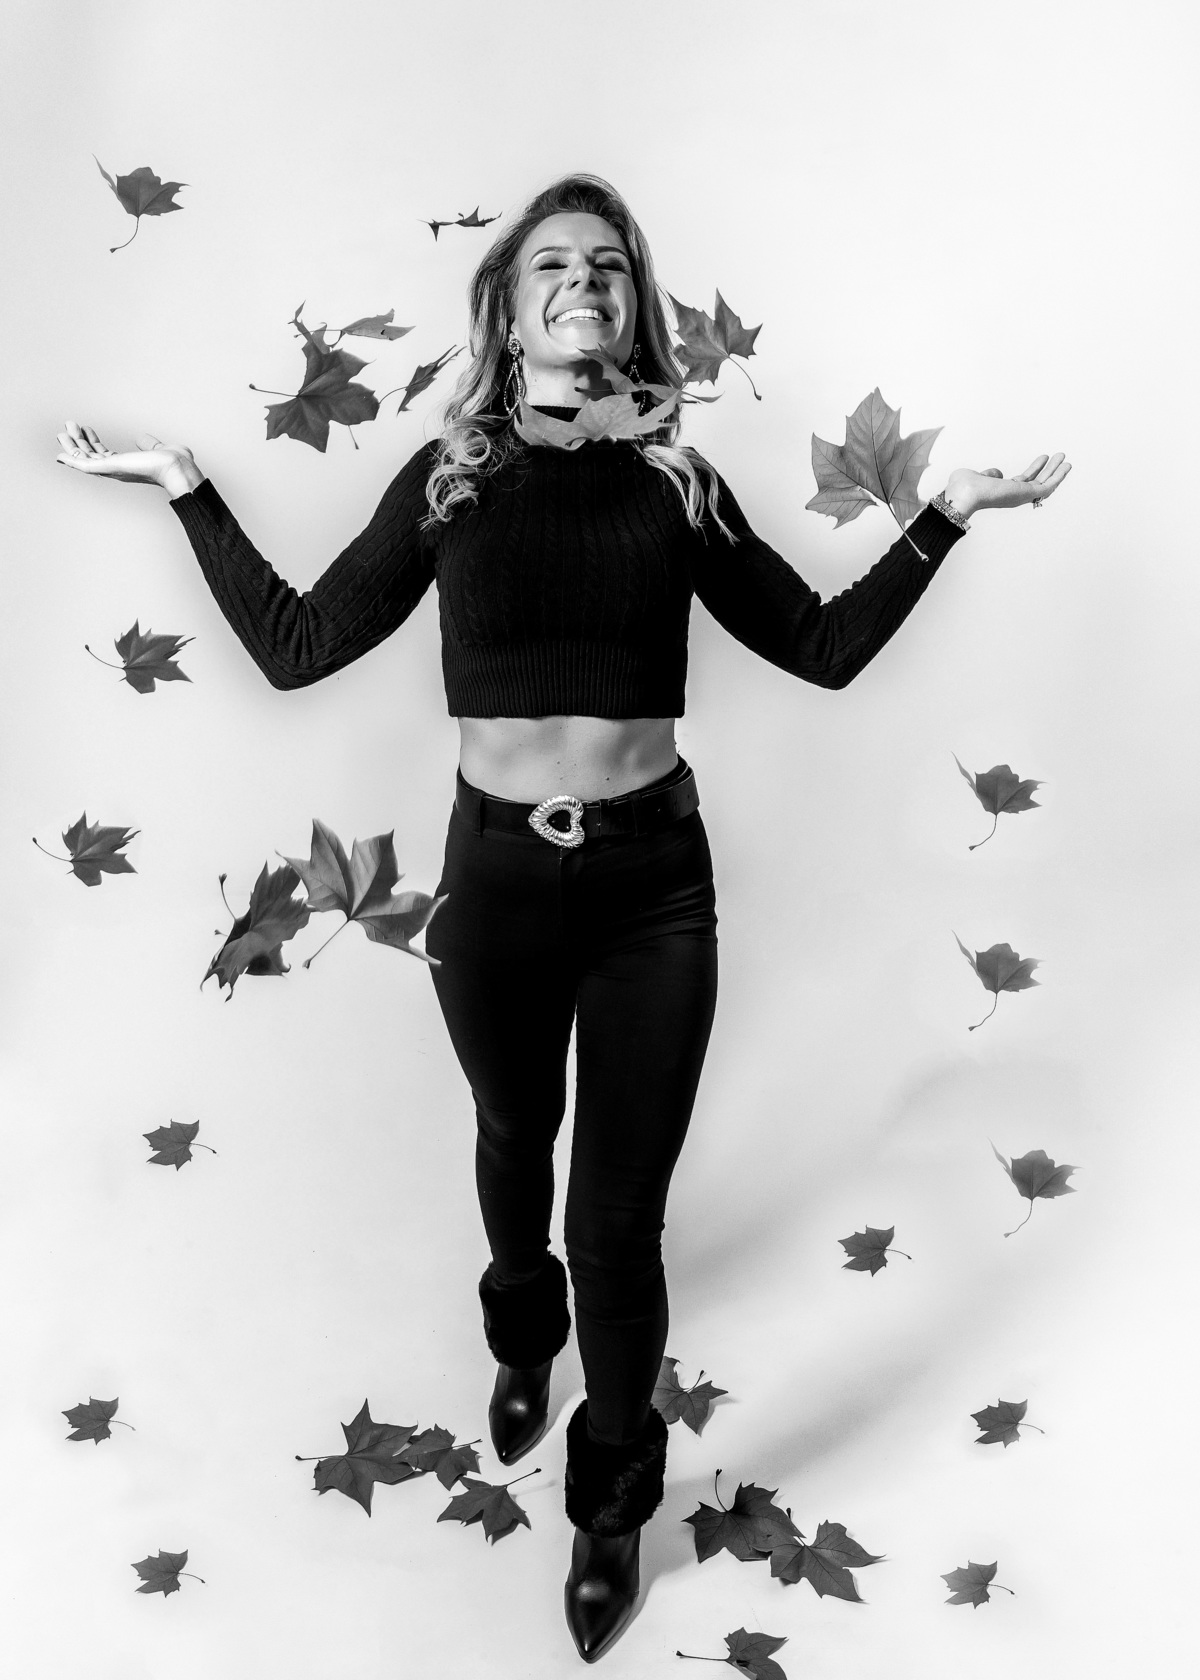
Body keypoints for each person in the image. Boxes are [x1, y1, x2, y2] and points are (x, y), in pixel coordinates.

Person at [54, 172, 1069, 1664]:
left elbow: (820, 647)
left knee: (618, 1221)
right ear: (509, 309)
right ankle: (520, 1325)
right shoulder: (452, 476)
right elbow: (299, 646)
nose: (583, 280)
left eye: (608, 264)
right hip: (499, 883)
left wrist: (944, 519)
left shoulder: (676, 482)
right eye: (553, 265)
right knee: (514, 1138)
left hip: (656, 887)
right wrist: (190, 487)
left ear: (634, 303)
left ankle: (610, 1503)